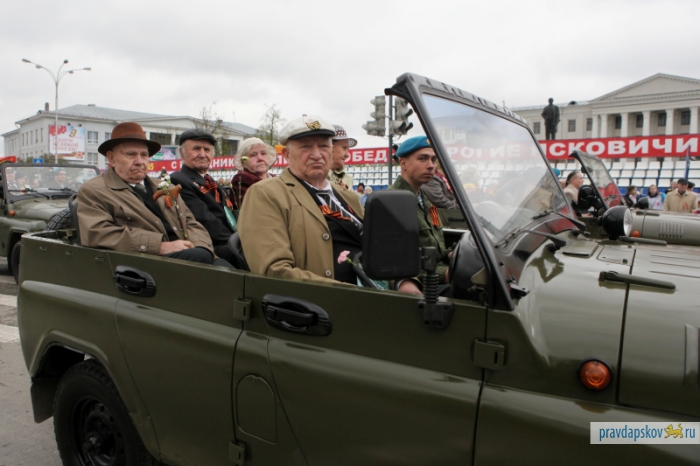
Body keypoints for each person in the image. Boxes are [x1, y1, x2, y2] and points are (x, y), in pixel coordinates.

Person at [77, 122, 231, 267]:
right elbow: (98, 233)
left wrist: (201, 246)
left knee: (231, 270)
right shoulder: (95, 190)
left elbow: (191, 222)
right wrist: (160, 246)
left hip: (190, 255)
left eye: (144, 155)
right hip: (146, 263)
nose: (139, 161)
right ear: (111, 158)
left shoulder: (166, 187)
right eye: (131, 154)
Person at [238, 115, 364, 285]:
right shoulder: (266, 194)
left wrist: (399, 282)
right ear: (287, 154)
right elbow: (275, 270)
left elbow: (381, 250)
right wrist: (351, 292)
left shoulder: (350, 197)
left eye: (323, 146)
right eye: (306, 146)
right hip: (328, 298)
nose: (317, 155)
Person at [389, 136, 451, 295]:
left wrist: (453, 254)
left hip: (437, 274)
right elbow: (395, 264)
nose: (431, 165)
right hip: (421, 284)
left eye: (433, 160)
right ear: (403, 163)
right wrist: (445, 274)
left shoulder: (426, 202)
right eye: (422, 159)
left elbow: (436, 247)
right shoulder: (391, 202)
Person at [169, 129, 240, 267]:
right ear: (182, 153)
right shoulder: (178, 180)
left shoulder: (213, 183)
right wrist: (240, 239)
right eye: (196, 149)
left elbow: (232, 213)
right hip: (212, 245)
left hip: (230, 241)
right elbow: (205, 222)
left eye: (207, 150)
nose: (202, 154)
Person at [230, 137, 277, 210]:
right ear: (243, 162)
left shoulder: (276, 179)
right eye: (253, 155)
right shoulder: (241, 180)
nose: (260, 158)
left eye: (263, 153)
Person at [327, 125, 357, 189]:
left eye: (348, 149)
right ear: (330, 147)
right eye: (344, 148)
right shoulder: (314, 176)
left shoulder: (348, 179)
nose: (347, 155)